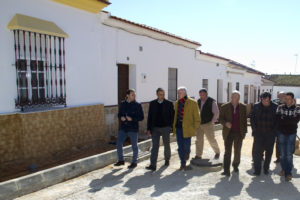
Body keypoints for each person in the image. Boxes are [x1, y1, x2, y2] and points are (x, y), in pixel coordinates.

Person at [145, 88, 175, 171]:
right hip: (155, 128)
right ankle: (153, 164)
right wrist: (148, 128)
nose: (162, 96)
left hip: (165, 128)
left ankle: (167, 160)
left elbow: (172, 115)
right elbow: (150, 117)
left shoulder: (169, 103)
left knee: (166, 144)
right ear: (157, 95)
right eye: (160, 94)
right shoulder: (152, 103)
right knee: (155, 146)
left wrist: (170, 127)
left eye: (163, 94)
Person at [114, 89, 144, 169]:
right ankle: (121, 160)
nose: (134, 96)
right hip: (124, 128)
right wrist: (121, 117)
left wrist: (132, 119)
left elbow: (141, 117)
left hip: (133, 128)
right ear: (127, 95)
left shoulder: (138, 105)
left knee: (134, 146)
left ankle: (134, 162)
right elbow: (119, 114)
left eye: (134, 95)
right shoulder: (123, 103)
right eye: (132, 95)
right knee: (119, 143)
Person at [219, 90, 247, 176]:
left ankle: (235, 165)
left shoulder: (243, 107)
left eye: (238, 97)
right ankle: (226, 170)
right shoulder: (224, 106)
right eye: (234, 97)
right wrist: (226, 123)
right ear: (231, 97)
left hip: (239, 132)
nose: (236, 99)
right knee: (228, 151)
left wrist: (244, 132)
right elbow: (220, 119)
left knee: (237, 151)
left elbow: (244, 120)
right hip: (228, 133)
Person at [173, 86, 201, 170]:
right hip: (178, 128)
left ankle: (187, 153)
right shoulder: (177, 102)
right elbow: (176, 116)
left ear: (185, 93)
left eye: (180, 93)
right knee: (180, 146)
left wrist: (194, 128)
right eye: (178, 93)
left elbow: (197, 117)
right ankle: (183, 163)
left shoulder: (193, 102)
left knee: (186, 145)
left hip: (188, 128)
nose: (178, 94)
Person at [250, 92, 278, 176]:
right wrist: (254, 130)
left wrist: (274, 132)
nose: (266, 102)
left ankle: (266, 168)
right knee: (257, 153)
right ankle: (257, 170)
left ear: (270, 99)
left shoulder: (275, 107)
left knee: (269, 152)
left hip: (270, 134)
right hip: (259, 134)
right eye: (264, 100)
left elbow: (278, 121)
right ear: (261, 99)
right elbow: (252, 119)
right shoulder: (256, 106)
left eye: (268, 100)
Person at [276, 92, 300, 181]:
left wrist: (284, 118)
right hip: (281, 133)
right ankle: (283, 168)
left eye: (289, 99)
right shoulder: (280, 107)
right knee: (282, 154)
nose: (287, 100)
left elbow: (295, 121)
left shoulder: (297, 108)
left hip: (291, 134)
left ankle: (288, 173)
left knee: (289, 154)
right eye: (286, 99)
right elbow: (278, 120)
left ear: (293, 99)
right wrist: (289, 119)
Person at [194, 88, 220, 160]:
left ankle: (217, 152)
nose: (201, 96)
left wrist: (212, 122)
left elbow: (216, 113)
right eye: (200, 95)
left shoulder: (212, 101)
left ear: (206, 94)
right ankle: (198, 155)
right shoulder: (198, 101)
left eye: (203, 95)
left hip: (208, 124)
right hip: (199, 124)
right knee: (199, 140)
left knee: (211, 139)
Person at [274, 91, 286, 163]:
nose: (280, 98)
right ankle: (278, 158)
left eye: (282, 96)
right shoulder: (276, 105)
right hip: (278, 128)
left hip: (287, 128)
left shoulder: (289, 104)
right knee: (278, 143)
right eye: (279, 96)